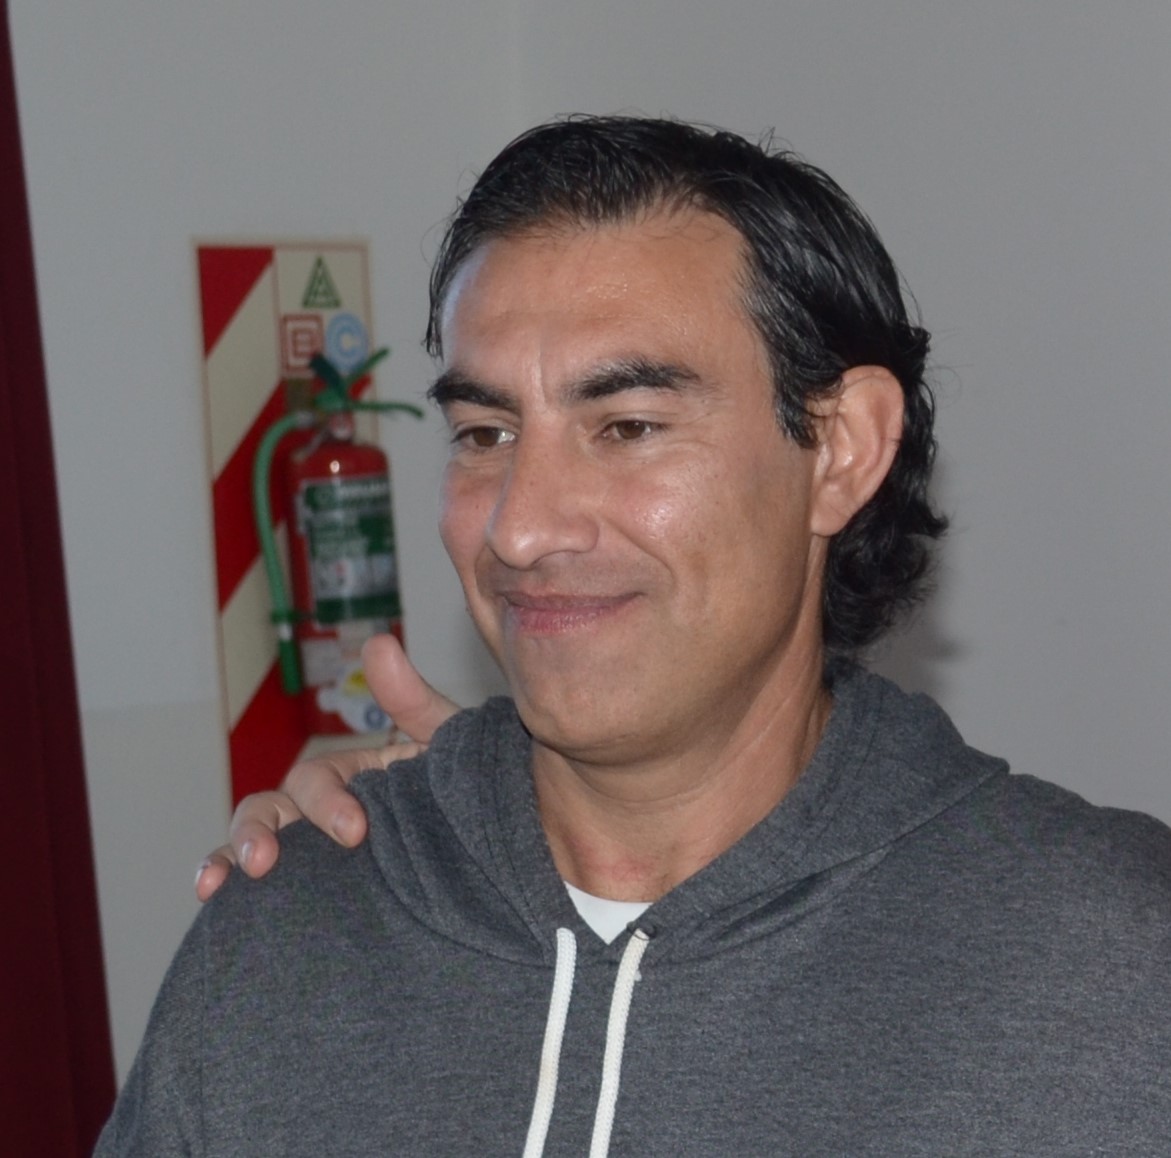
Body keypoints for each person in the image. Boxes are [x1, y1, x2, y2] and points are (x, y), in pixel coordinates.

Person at [99, 116, 1171, 1155]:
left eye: (626, 427)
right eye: (485, 433)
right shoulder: (287, 935)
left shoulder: (1108, 959)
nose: (519, 529)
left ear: (840, 451)